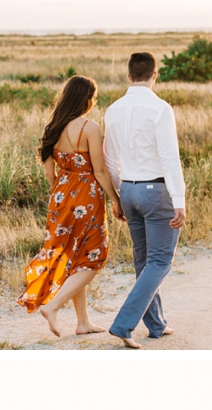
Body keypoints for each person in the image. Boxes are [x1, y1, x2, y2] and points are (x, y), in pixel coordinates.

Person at [18, 75, 124, 336]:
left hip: (60, 198)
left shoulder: (52, 127)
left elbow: (50, 175)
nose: (94, 101)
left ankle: (83, 322)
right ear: (86, 99)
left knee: (76, 259)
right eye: (94, 97)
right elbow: (99, 171)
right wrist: (117, 200)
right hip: (86, 200)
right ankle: (52, 306)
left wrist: (63, 192)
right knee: (94, 257)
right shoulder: (89, 127)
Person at [103, 52, 186, 349]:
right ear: (155, 75)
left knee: (144, 260)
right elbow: (169, 157)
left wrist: (117, 195)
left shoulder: (113, 110)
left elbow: (110, 160)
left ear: (128, 76)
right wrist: (180, 200)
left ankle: (156, 324)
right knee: (160, 260)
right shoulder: (160, 108)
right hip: (156, 191)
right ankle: (124, 324)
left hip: (128, 191)